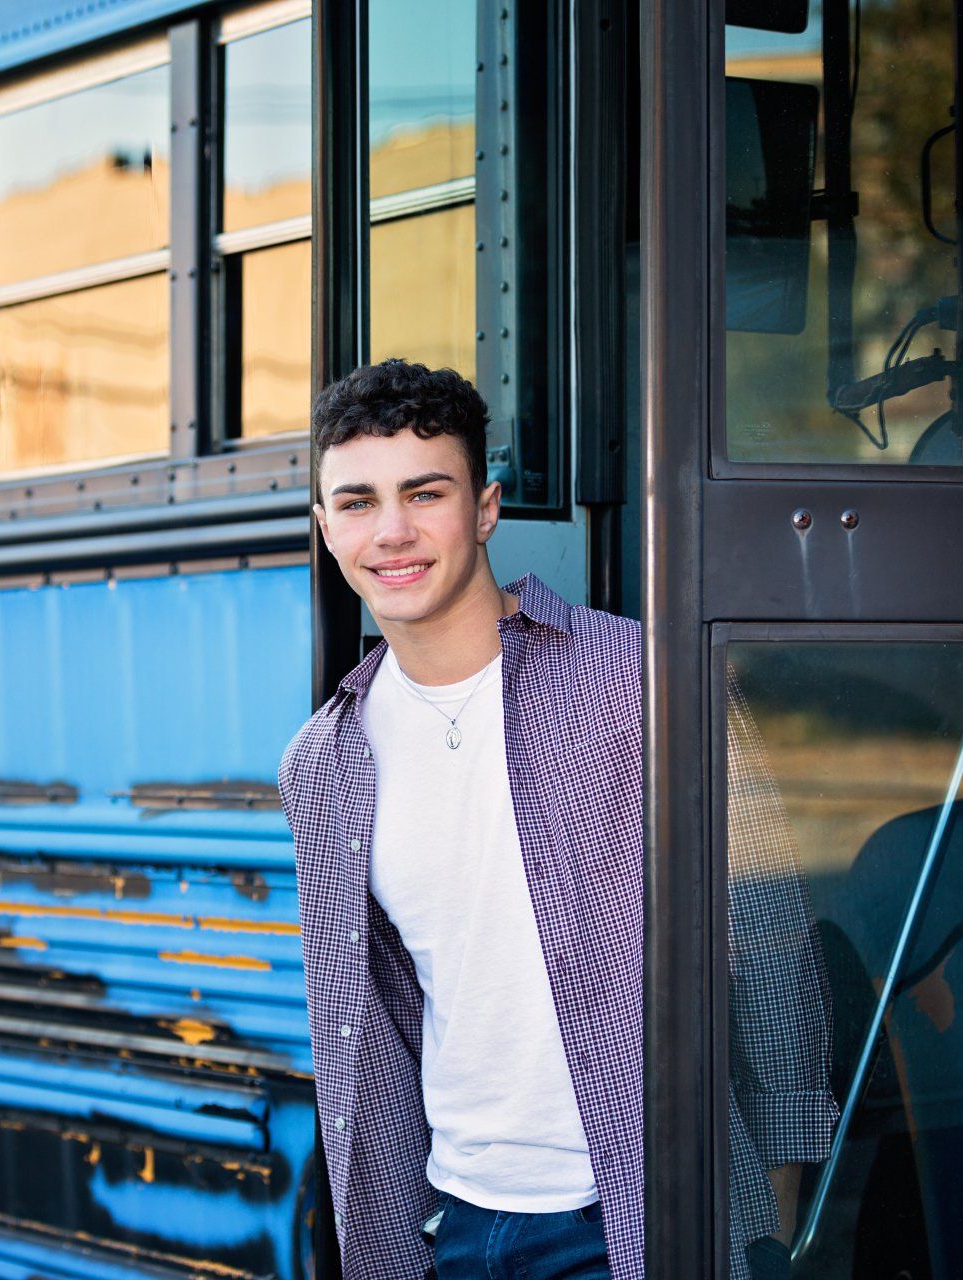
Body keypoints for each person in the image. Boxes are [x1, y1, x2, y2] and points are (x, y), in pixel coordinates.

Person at [276, 359, 837, 1280]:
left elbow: (764, 924)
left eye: (425, 493)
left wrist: (777, 1176)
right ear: (326, 526)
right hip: (455, 1224)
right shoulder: (325, 760)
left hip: (636, 1217)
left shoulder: (642, 680)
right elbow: (373, 1018)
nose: (392, 532)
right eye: (357, 502)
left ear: (486, 509)